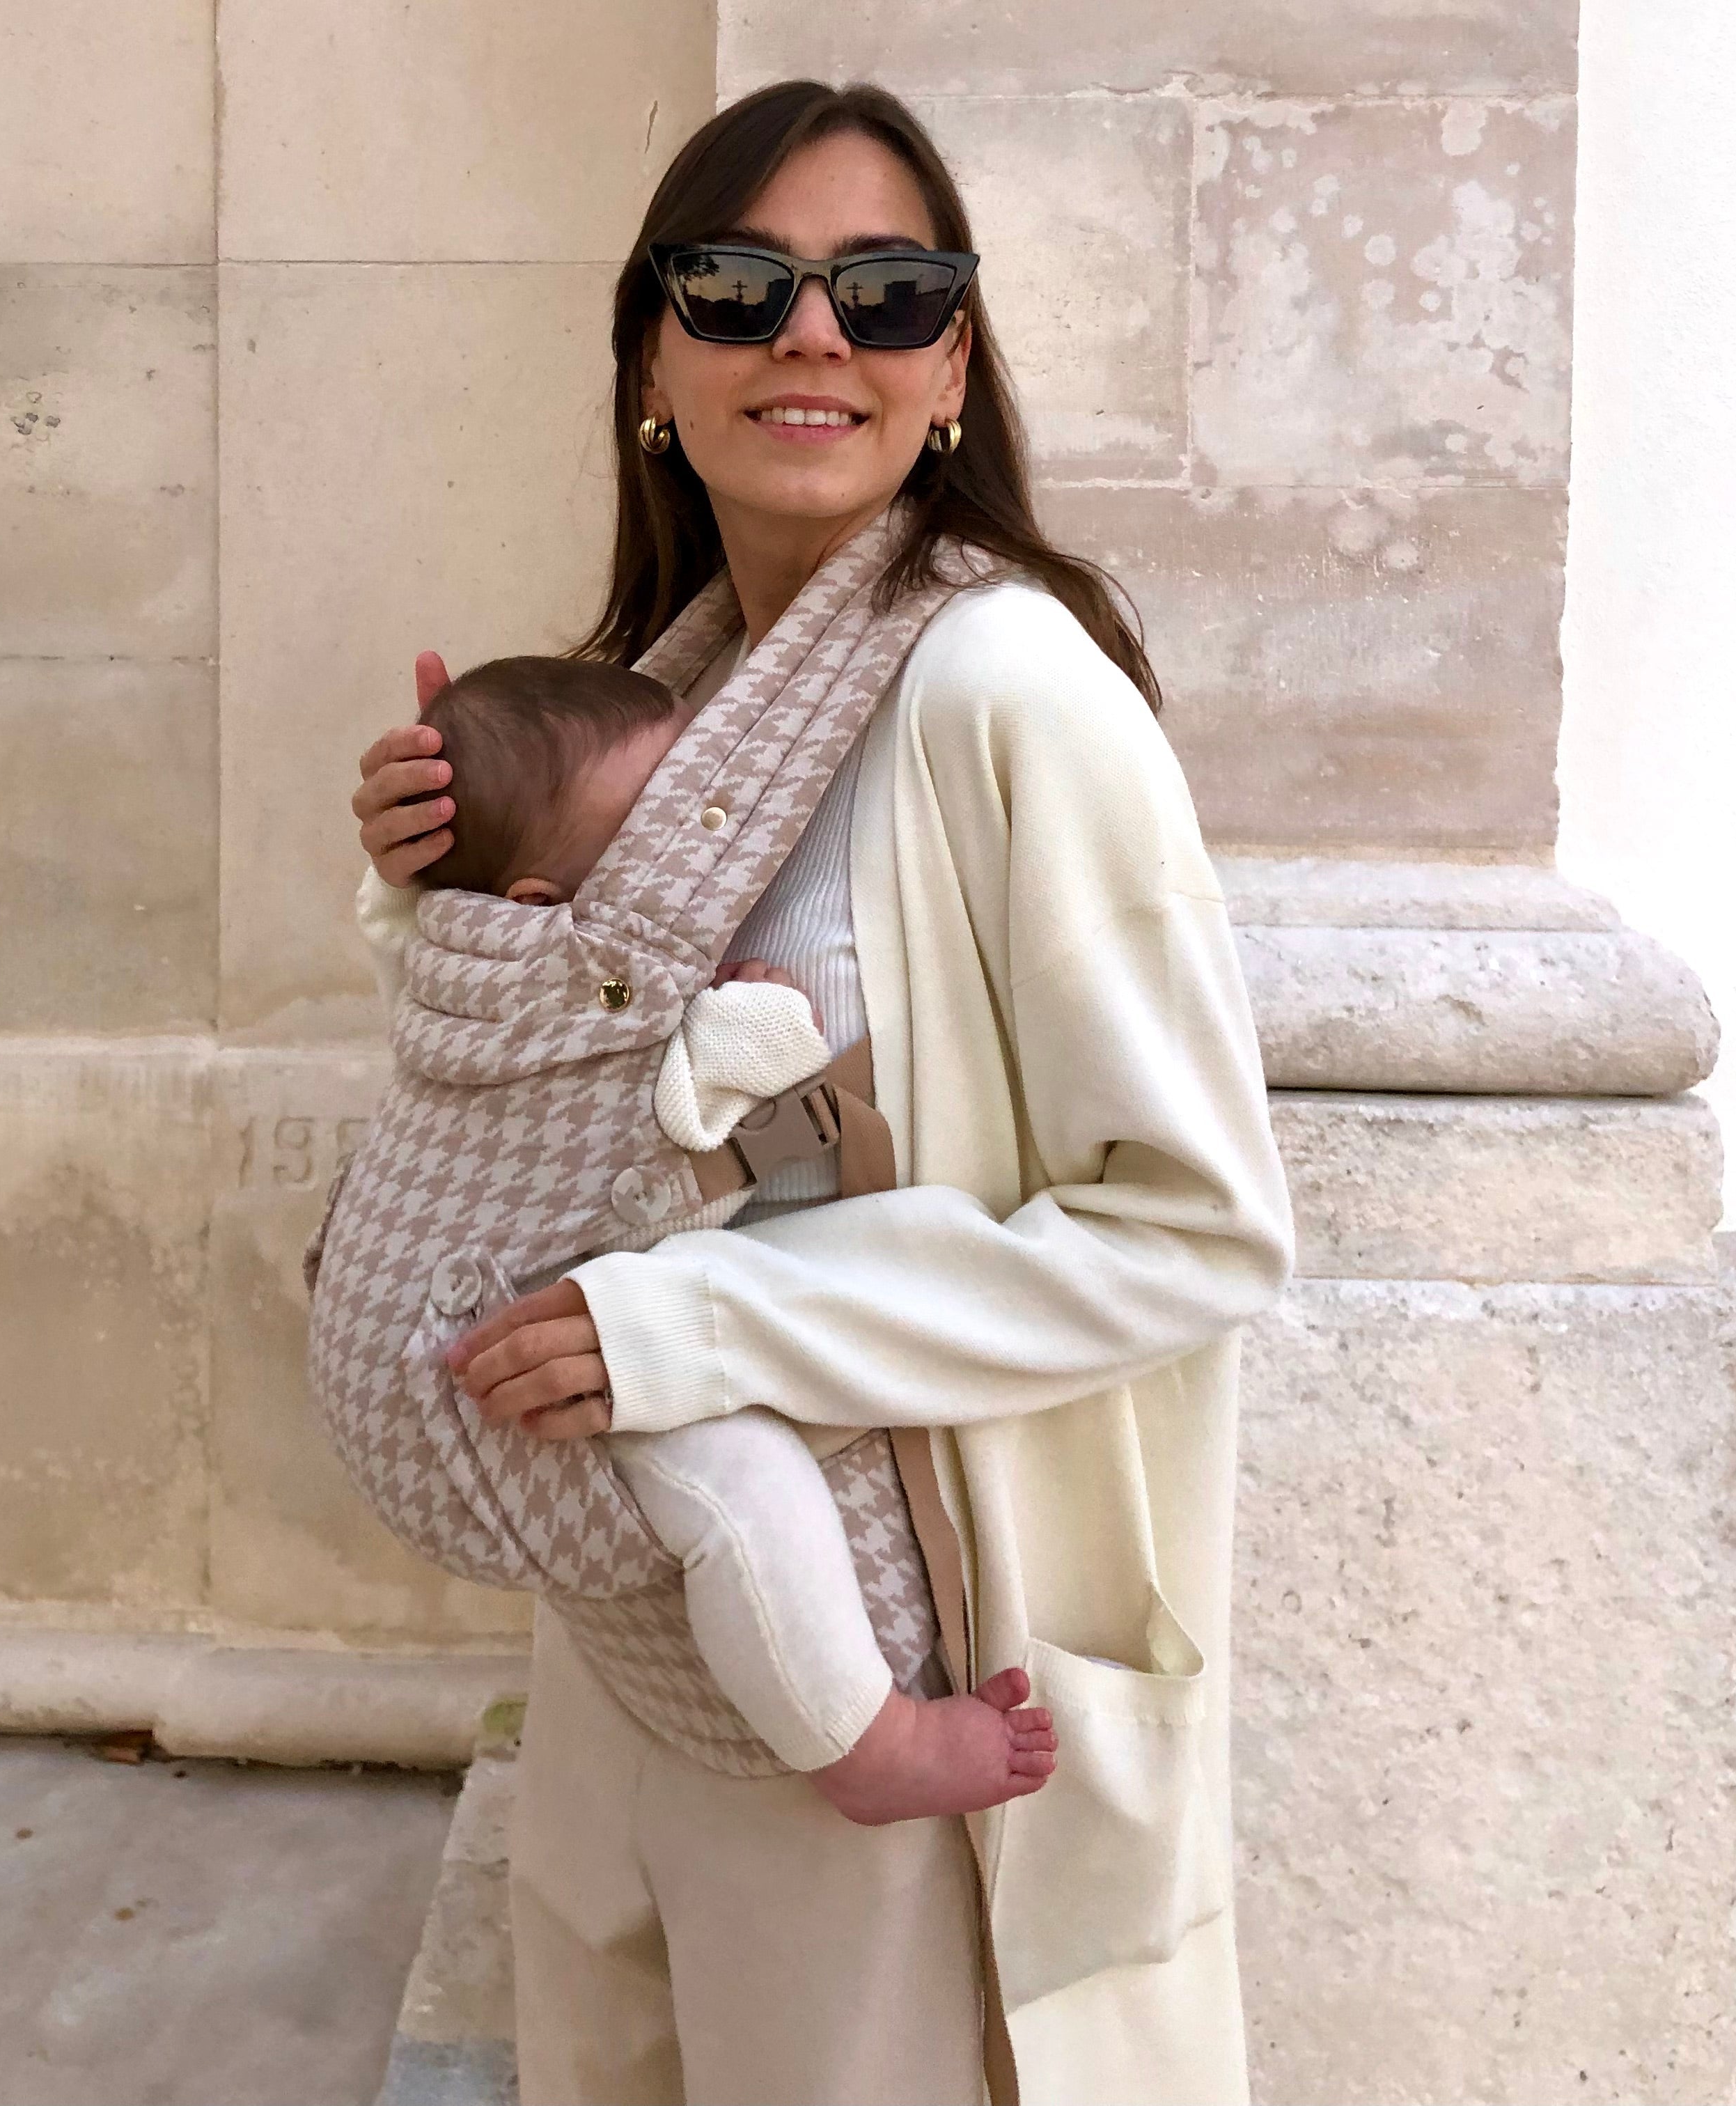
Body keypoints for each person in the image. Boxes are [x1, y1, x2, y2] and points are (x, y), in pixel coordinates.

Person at [350, 78, 1292, 2106]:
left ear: (950, 367)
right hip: (650, 1649)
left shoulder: (1007, 692)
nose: (813, 335)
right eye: (742, 282)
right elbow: (575, 1112)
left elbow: (1197, 1225)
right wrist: (447, 891)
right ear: (650, 358)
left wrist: (689, 1329)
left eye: (888, 291)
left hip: (897, 1666)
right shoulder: (656, 710)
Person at [372, 650, 1062, 1814]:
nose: (699, 855)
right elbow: (691, 1114)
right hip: (527, 1358)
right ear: (542, 908)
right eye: (658, 831)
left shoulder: (473, 956)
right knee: (746, 1489)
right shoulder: (591, 981)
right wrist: (762, 1020)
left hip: (458, 1342)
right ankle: (868, 1746)